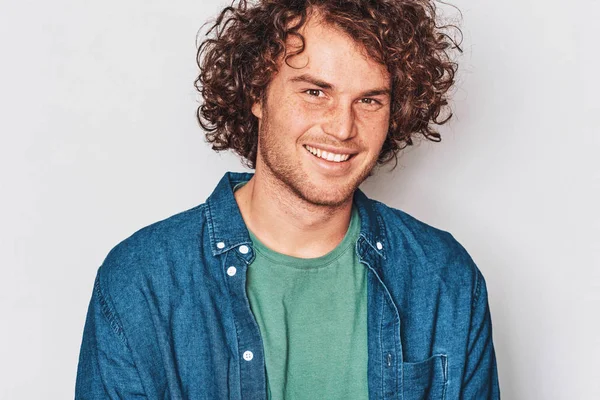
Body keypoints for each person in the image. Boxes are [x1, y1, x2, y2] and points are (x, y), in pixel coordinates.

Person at [75, 0, 500, 398]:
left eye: (369, 100)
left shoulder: (445, 280)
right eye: (315, 92)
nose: (342, 128)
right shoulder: (143, 283)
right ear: (257, 93)